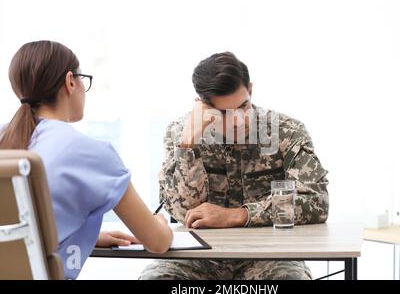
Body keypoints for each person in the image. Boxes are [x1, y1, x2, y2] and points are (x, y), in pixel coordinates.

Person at [139, 52, 329, 280]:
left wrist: (238, 215)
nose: (239, 120)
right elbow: (181, 212)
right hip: (198, 257)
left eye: (243, 106)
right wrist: (188, 144)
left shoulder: (286, 131)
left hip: (269, 256)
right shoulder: (179, 133)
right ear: (202, 105)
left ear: (250, 89)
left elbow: (317, 202)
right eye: (224, 113)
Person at [0, 40, 173, 279]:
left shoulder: (5, 136)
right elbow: (157, 242)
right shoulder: (90, 152)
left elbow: (15, 228)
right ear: (70, 81)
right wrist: (162, 224)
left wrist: (82, 236)